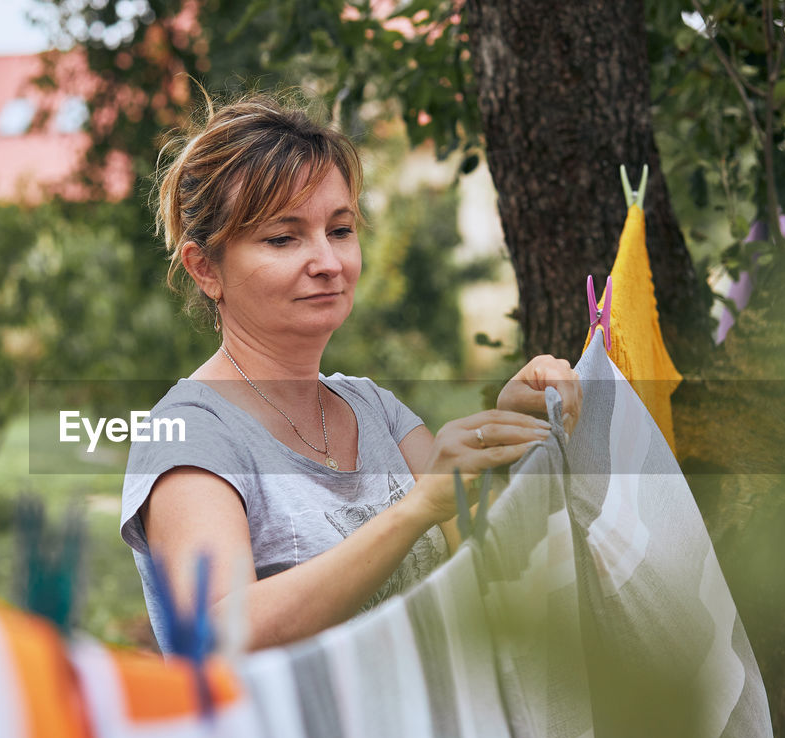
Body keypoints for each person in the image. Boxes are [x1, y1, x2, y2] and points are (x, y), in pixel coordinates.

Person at [120, 94, 580, 652]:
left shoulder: (374, 410)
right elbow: (219, 636)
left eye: (339, 230)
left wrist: (515, 434)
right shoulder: (192, 434)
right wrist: (415, 511)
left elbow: (497, 563)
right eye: (283, 238)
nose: (329, 262)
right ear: (205, 268)